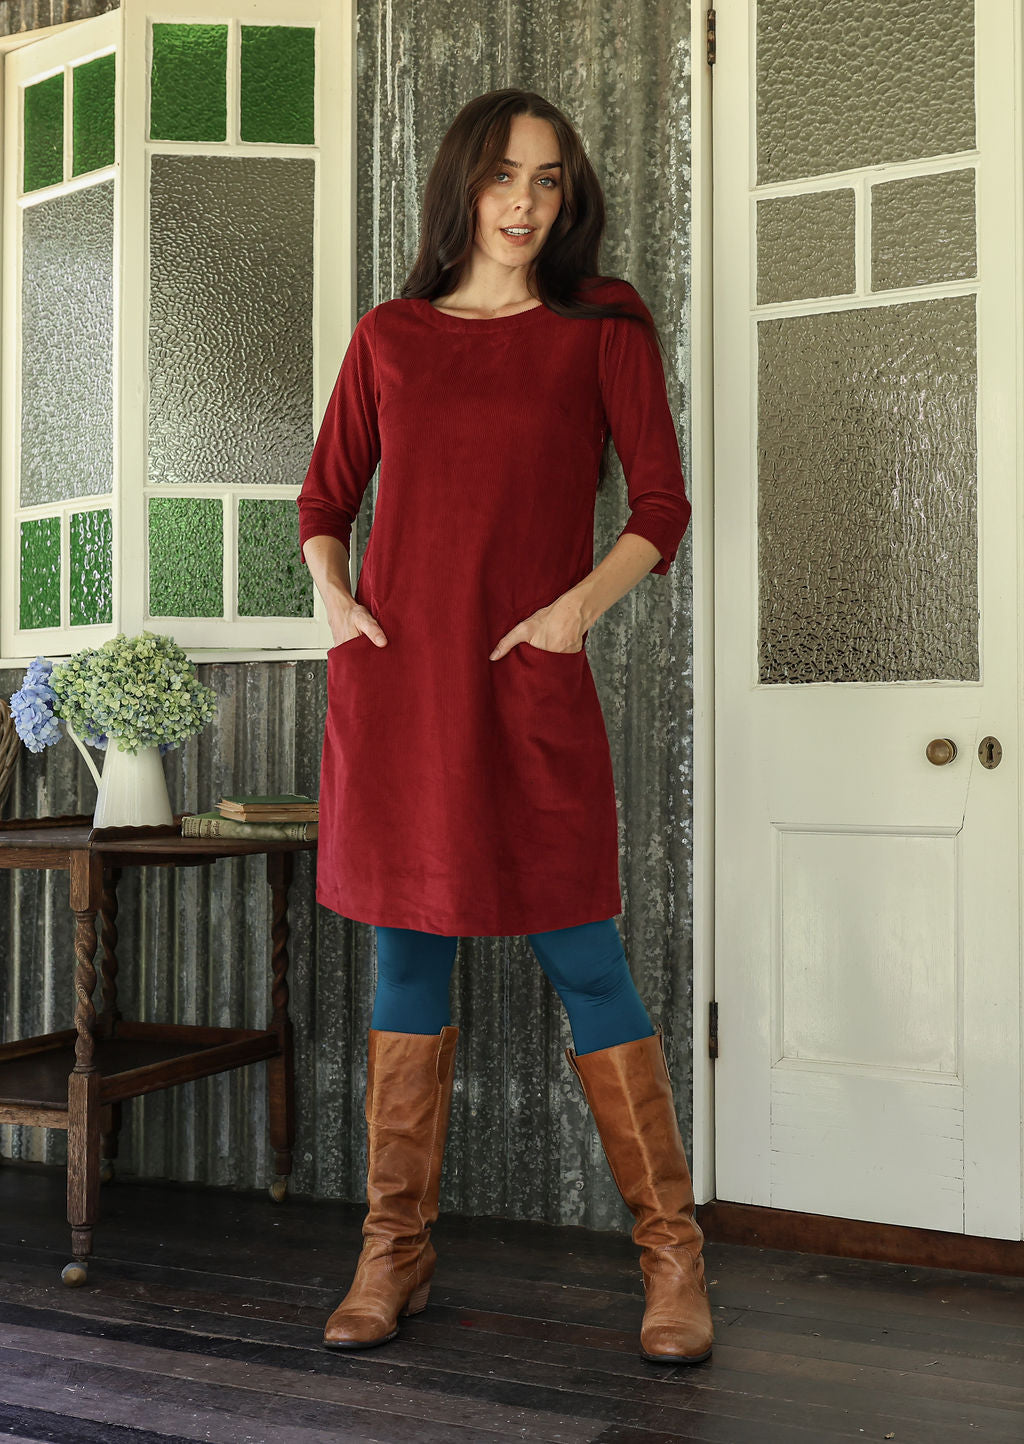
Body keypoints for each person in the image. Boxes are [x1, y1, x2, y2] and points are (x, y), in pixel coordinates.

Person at [297, 87, 712, 1367]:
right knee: (406, 964)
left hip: (529, 685)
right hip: (401, 693)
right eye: (502, 178)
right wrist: (334, 600)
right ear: (462, 188)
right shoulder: (390, 335)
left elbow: (660, 503)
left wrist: (574, 612)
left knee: (585, 955)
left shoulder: (602, 326)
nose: (525, 203)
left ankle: (672, 1256)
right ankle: (393, 1250)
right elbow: (323, 500)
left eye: (547, 180)